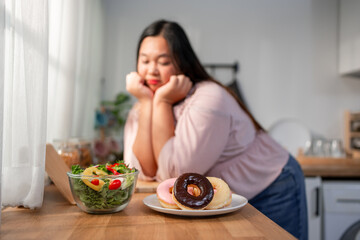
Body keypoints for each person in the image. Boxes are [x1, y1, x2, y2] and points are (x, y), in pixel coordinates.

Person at [124, 19, 308, 240]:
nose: (151, 70)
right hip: (230, 196)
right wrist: (147, 103)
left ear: (182, 62)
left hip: (272, 184)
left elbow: (176, 177)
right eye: (144, 61)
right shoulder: (144, 102)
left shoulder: (209, 98)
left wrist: (161, 102)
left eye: (163, 62)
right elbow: (138, 172)